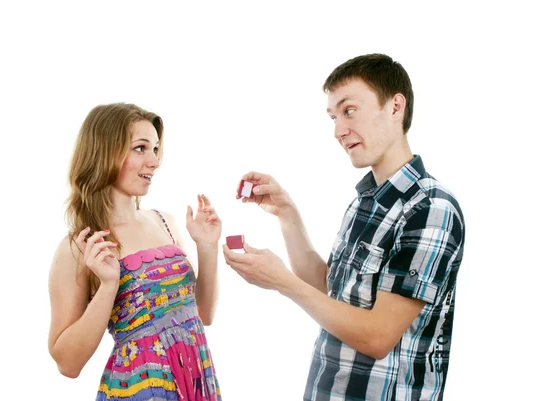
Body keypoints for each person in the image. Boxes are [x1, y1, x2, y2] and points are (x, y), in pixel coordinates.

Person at [222, 53, 465, 400]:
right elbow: (328, 292)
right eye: (333, 116)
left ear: (396, 107)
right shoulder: (366, 201)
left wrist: (281, 282)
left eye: (349, 111)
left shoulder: (430, 208)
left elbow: (377, 337)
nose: (338, 130)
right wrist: (287, 215)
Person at [48, 103, 222, 401]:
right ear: (105, 153)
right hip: (140, 389)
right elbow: (68, 364)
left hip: (194, 380)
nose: (154, 161)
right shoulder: (80, 246)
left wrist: (207, 248)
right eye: (141, 148)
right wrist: (108, 286)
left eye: (155, 149)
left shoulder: (165, 223)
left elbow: (202, 314)